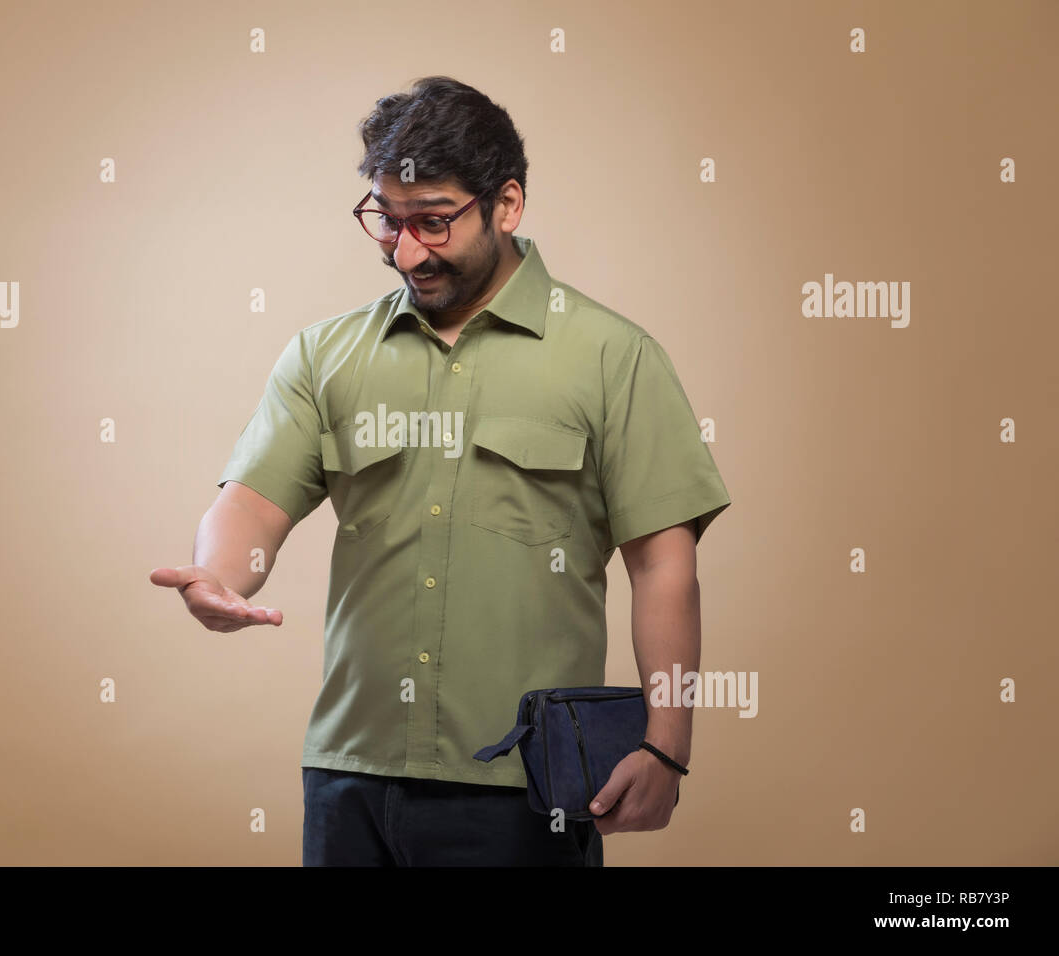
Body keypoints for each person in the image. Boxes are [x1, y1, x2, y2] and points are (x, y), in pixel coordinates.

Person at [151, 76, 731, 866]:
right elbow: (254, 500)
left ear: (508, 205)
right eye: (385, 221)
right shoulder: (325, 355)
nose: (406, 250)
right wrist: (220, 574)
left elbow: (664, 564)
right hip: (348, 775)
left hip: (524, 787)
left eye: (432, 222)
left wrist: (667, 746)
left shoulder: (612, 357)